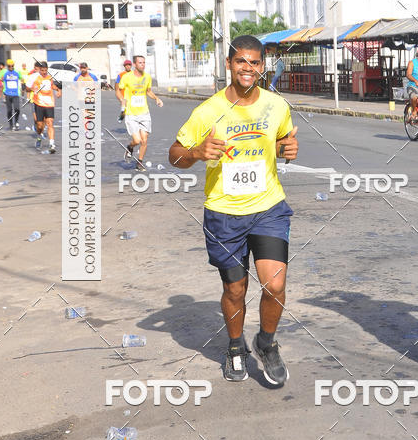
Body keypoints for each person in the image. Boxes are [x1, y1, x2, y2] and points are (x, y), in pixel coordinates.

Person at [169, 35, 299, 386]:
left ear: (262, 67)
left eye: (255, 63)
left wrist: (289, 147)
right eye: (242, 61)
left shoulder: (276, 106)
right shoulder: (208, 111)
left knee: (276, 282)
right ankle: (236, 346)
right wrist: (196, 153)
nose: (248, 68)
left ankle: (267, 344)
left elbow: (285, 140)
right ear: (229, 64)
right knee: (236, 289)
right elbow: (174, 154)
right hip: (224, 214)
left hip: (268, 207)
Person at [116, 55, 162, 171]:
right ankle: (130, 147)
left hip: (144, 113)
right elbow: (118, 90)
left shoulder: (147, 77)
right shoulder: (126, 77)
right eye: (140, 63)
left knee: (145, 140)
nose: (143, 64)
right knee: (137, 140)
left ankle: (139, 163)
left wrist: (156, 98)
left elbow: (148, 91)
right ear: (135, 64)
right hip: (131, 113)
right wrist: (122, 99)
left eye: (144, 62)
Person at [26, 61, 61, 153]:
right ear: (39, 70)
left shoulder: (49, 77)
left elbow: (52, 85)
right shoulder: (34, 77)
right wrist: (32, 89)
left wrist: (58, 89)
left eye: (46, 70)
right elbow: (27, 88)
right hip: (39, 104)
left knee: (50, 123)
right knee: (40, 125)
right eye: (42, 70)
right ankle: (39, 137)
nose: (44, 72)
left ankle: (52, 144)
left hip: (49, 104)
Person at [2, 58, 21, 129]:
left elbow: (22, 79)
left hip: (16, 94)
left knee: (17, 109)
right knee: (9, 110)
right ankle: (10, 124)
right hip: (7, 94)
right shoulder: (4, 73)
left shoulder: (17, 73)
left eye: (12, 66)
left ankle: (16, 122)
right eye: (9, 66)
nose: (11, 67)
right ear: (7, 66)